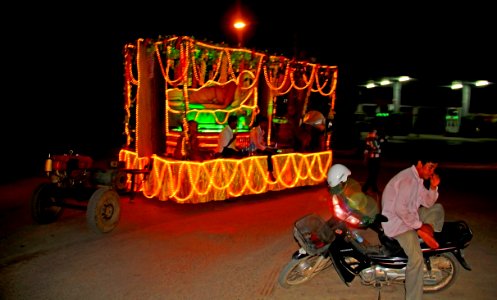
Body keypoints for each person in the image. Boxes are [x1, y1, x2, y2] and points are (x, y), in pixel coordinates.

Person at [381, 156, 444, 300]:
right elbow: (400, 210)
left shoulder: (418, 180)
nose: (431, 172)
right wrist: (419, 224)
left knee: (437, 208)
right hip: (398, 225)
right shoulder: (407, 180)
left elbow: (427, 203)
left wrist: (433, 187)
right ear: (420, 163)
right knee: (416, 259)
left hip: (409, 218)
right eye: (430, 167)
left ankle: (426, 232)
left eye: (434, 168)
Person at [249, 115, 276, 181]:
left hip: (259, 148)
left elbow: (261, 143)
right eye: (265, 123)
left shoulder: (262, 131)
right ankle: (270, 172)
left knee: (273, 151)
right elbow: (256, 144)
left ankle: (272, 170)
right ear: (261, 123)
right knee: (269, 153)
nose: (266, 125)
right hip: (254, 149)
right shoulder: (254, 131)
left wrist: (268, 145)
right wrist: (266, 148)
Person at [362, 129, 385, 194]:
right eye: (374, 132)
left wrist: (381, 139)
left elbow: (383, 142)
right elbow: (376, 146)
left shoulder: (376, 138)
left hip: (377, 159)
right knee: (371, 175)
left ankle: (374, 188)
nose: (375, 134)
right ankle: (364, 189)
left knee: (375, 174)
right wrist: (365, 158)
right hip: (371, 160)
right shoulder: (370, 139)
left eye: (376, 132)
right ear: (371, 133)